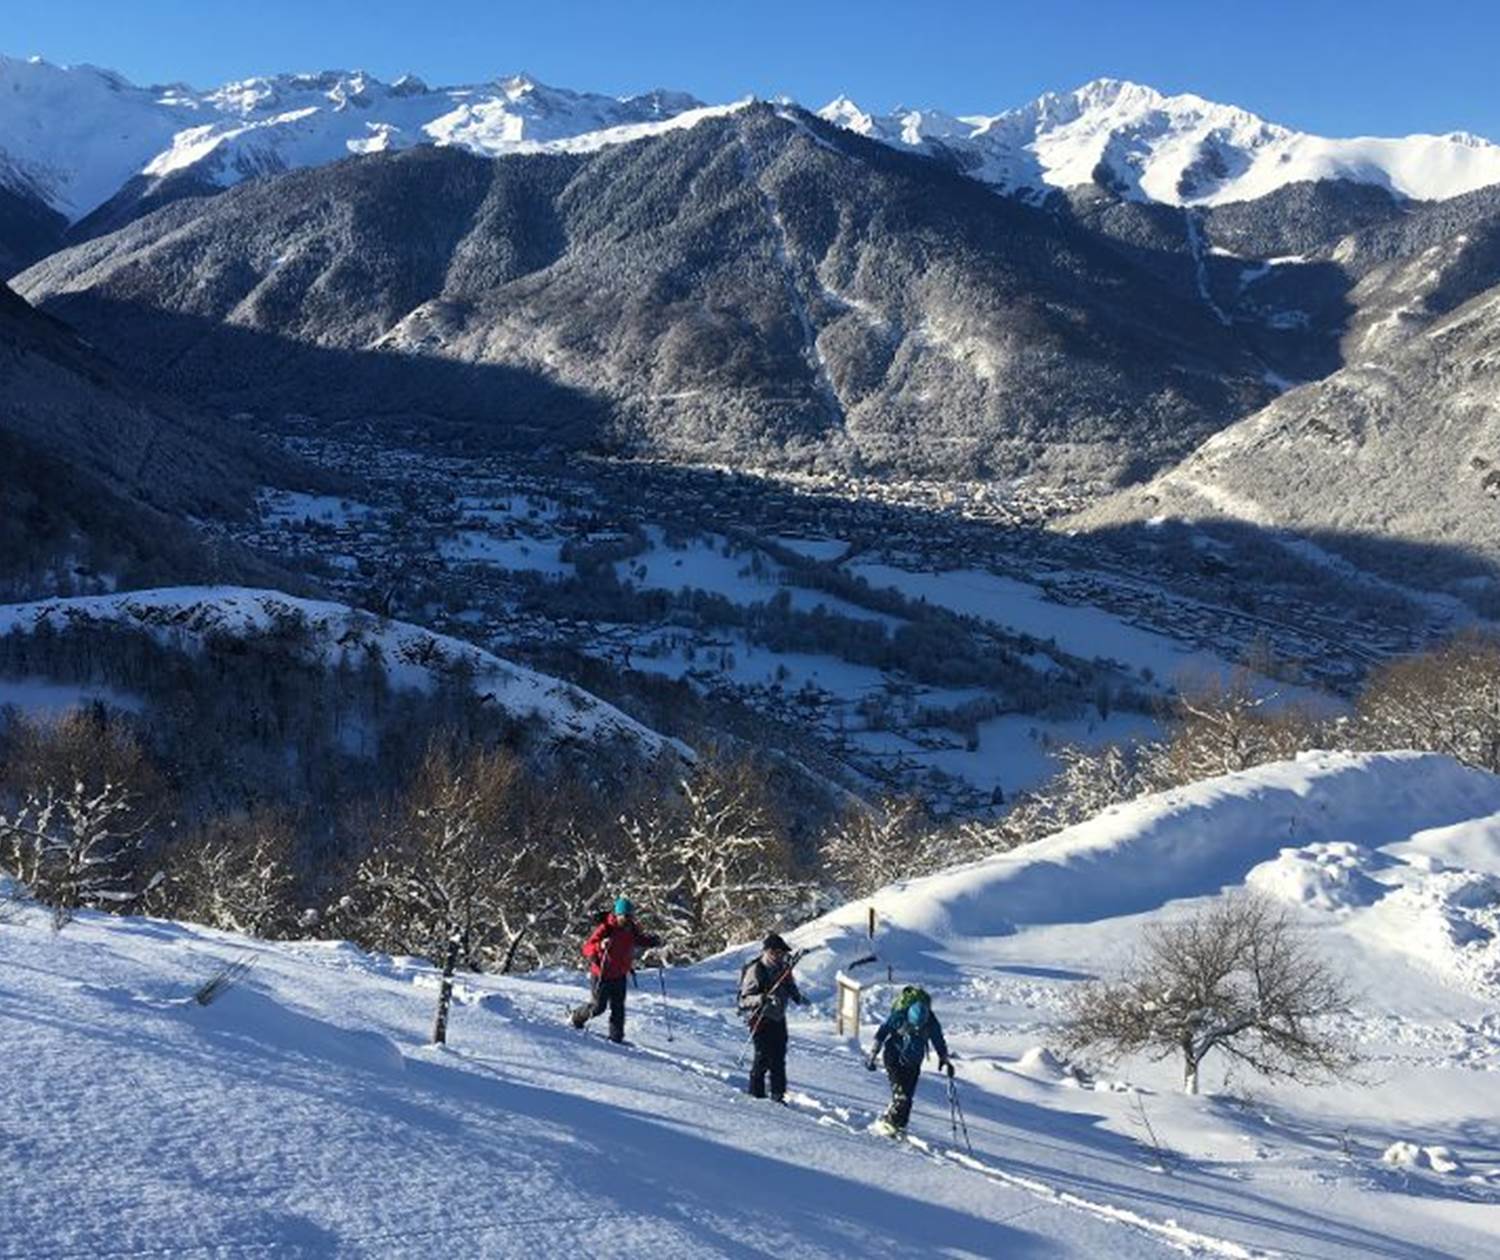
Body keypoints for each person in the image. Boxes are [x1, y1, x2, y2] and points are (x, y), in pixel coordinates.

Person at [570, 896, 660, 1043]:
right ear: (617, 915)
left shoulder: (631, 928)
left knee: (618, 1009)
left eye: (630, 915)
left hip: (620, 975)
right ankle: (576, 1017)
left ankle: (616, 1038)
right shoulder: (606, 928)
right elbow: (587, 947)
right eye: (624, 916)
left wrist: (651, 941)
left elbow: (639, 939)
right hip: (602, 974)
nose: (627, 919)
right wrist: (598, 948)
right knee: (598, 1007)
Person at [865, 985, 952, 1135]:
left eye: (920, 1026)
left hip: (914, 1061)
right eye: (915, 1025)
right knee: (901, 1095)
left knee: (908, 1097)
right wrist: (873, 1054)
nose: (918, 1028)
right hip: (894, 1056)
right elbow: (882, 1033)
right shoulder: (899, 1016)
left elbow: (938, 1040)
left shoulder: (931, 1020)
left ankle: (899, 1124)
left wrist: (944, 1059)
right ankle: (888, 1124)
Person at [738, 933, 806, 1102]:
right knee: (762, 1057)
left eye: (782, 953)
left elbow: (789, 985)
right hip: (760, 1018)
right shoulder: (756, 970)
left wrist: (797, 997)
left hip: (778, 1017)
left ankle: (778, 1094)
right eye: (776, 953)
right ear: (767, 951)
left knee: (779, 1058)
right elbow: (744, 999)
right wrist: (762, 998)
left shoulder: (783, 969)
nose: (780, 956)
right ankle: (756, 1094)